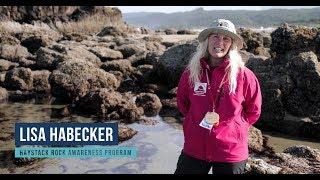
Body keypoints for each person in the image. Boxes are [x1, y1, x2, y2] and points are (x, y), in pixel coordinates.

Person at [175, 19, 262, 174]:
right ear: (207, 40)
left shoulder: (244, 76)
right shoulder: (192, 73)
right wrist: (195, 123)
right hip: (195, 147)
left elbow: (253, 111)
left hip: (230, 152)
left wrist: (235, 128)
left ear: (231, 45)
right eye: (215, 36)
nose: (220, 42)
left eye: (226, 38)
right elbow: (183, 103)